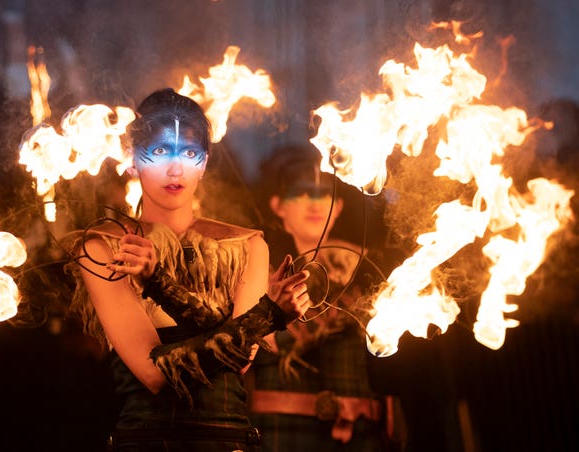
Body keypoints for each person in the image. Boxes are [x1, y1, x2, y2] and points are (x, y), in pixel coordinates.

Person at [66, 88, 310, 451]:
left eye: (190, 153)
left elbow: (239, 366)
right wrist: (264, 317)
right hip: (147, 441)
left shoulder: (247, 246)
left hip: (229, 441)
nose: (175, 168)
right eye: (161, 151)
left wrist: (262, 317)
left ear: (205, 163)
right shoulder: (103, 247)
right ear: (133, 158)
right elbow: (154, 375)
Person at [247, 144, 399, 451]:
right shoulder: (258, 271)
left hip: (358, 436)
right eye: (302, 193)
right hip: (281, 436)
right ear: (279, 205)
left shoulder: (367, 268)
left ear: (338, 206)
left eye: (324, 194)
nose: (315, 204)